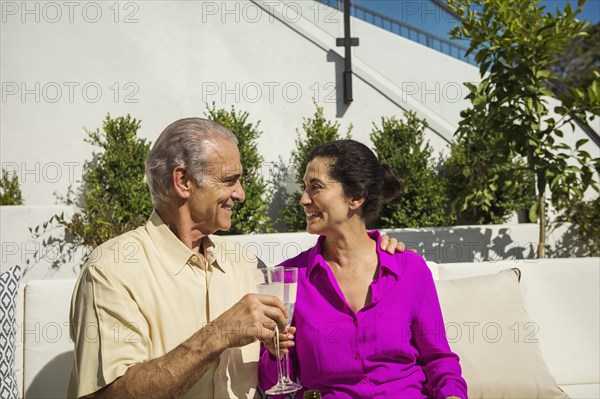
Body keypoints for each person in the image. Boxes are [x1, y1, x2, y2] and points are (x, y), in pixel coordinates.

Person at [67, 118, 405, 399]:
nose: (241, 194)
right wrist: (219, 334)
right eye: (230, 180)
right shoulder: (113, 270)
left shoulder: (247, 266)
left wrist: (374, 249)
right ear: (183, 181)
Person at [259, 140, 468, 398]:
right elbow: (275, 387)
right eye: (304, 188)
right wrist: (273, 352)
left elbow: (439, 361)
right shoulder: (288, 278)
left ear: (356, 197)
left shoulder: (409, 269)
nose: (303, 199)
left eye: (315, 187)